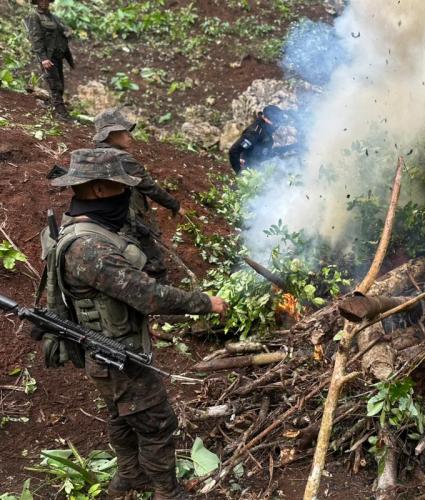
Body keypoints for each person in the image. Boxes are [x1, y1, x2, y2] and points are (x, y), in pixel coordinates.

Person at [46, 148, 228, 499]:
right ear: (99, 189)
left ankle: (129, 475)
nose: (128, 194)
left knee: (121, 415)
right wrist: (205, 302)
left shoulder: (79, 230)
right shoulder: (90, 247)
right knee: (156, 422)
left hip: (105, 348)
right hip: (116, 353)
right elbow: (149, 295)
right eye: (121, 187)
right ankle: (166, 492)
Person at [93, 108, 182, 282]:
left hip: (102, 221)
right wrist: (175, 205)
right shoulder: (122, 159)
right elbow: (150, 188)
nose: (129, 136)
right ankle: (161, 302)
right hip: (127, 222)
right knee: (154, 265)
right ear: (110, 135)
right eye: (124, 132)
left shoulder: (91, 156)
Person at [25, 0, 74, 121]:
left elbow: (63, 31)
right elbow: (36, 38)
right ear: (37, 2)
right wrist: (43, 58)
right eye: (42, 0)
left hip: (58, 55)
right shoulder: (34, 16)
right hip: (48, 57)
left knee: (60, 84)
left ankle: (53, 108)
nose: (45, 2)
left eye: (47, 0)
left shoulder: (53, 17)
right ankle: (61, 114)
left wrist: (67, 32)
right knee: (55, 85)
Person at [228, 104, 286, 174]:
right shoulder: (254, 133)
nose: (277, 126)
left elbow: (265, 153)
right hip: (250, 172)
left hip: (258, 166)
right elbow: (233, 151)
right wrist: (240, 173)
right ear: (266, 119)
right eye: (276, 123)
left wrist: (289, 148)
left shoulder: (265, 129)